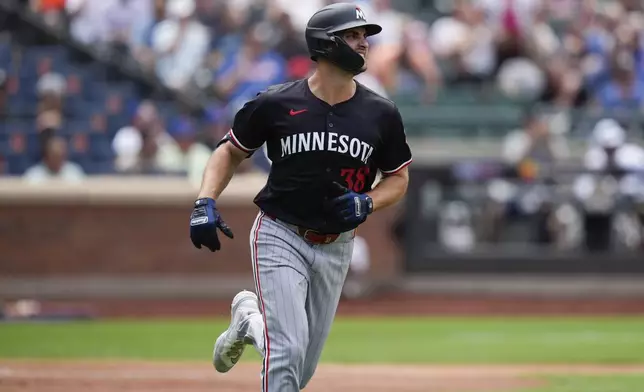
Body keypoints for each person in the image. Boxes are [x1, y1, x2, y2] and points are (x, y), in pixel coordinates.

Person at [188, 3, 412, 391]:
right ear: (325, 44)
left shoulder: (381, 113)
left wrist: (369, 201)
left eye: (365, 37)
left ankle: (248, 321)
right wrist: (204, 200)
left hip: (336, 245)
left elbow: (399, 177)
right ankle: (257, 327)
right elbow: (229, 150)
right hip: (281, 234)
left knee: (300, 369)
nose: (363, 44)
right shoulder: (276, 102)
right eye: (353, 35)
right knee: (287, 355)